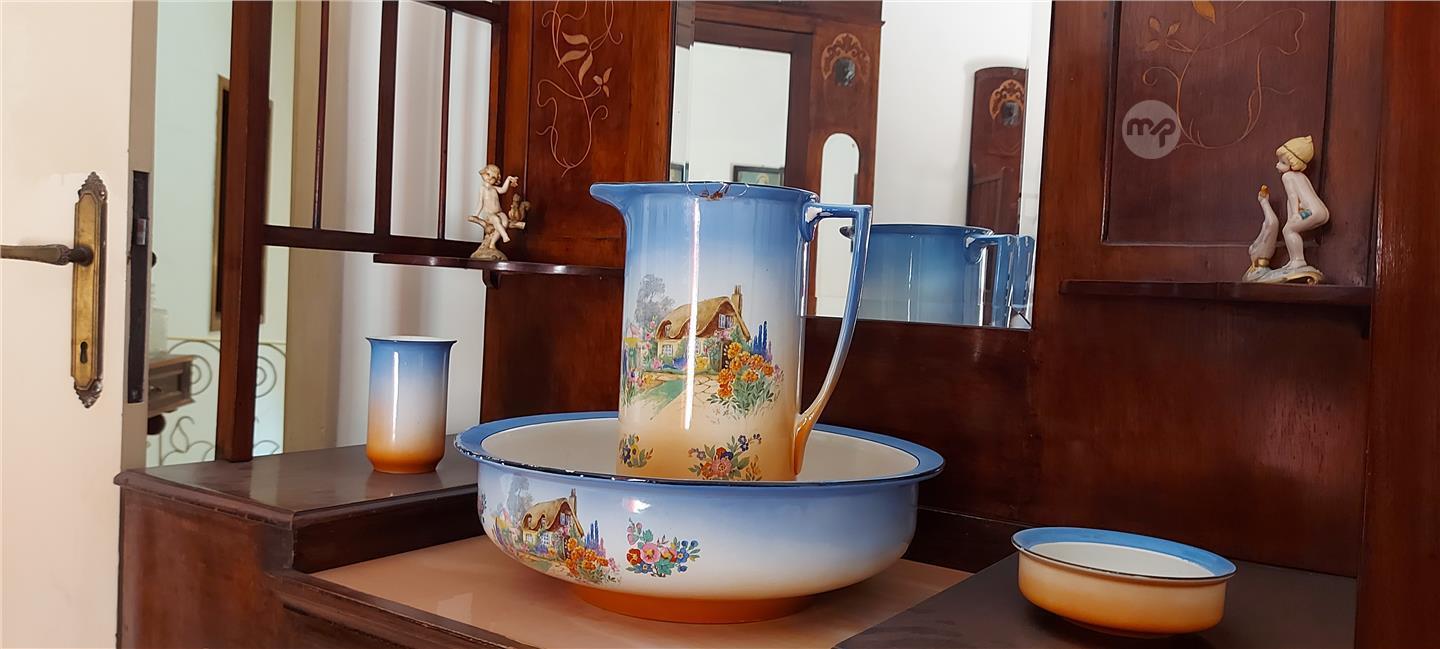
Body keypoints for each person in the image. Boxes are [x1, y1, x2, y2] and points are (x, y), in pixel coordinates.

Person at [1244, 136, 1329, 284]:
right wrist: (1292, 218)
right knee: (1290, 228)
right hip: (1319, 211)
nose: (1278, 165)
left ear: (1293, 163)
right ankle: (1294, 260)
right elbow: (1293, 200)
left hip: (1311, 211)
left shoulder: (1288, 176)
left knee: (1288, 230)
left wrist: (1295, 215)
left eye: (1283, 162)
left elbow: (1293, 196)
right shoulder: (1300, 177)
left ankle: (1298, 261)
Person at [468, 165, 522, 259]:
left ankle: (492, 243)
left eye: (493, 177)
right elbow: (480, 203)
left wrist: (508, 179)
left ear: (496, 179)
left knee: (505, 222)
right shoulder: (483, 189)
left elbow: (503, 190)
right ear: (483, 174)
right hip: (489, 214)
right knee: (496, 220)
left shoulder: (494, 188)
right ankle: (504, 235)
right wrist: (475, 215)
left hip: (499, 212)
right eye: (488, 175)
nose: (489, 178)